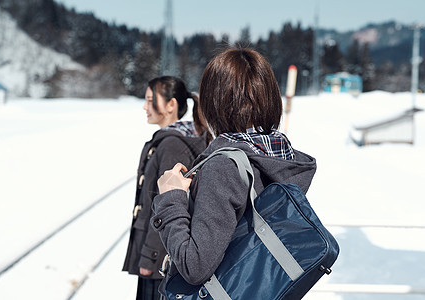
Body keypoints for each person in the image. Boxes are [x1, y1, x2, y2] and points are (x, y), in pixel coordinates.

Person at [150, 48, 317, 294]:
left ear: (214, 102)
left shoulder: (225, 166)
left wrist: (170, 198)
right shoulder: (281, 158)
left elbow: (195, 266)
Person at [122, 76, 209, 300]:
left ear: (171, 105)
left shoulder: (173, 145)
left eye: (151, 100)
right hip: (158, 254)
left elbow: (168, 203)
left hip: (159, 260)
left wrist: (151, 257)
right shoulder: (169, 139)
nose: (145, 106)